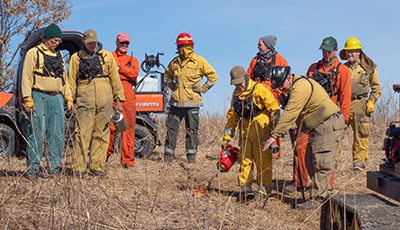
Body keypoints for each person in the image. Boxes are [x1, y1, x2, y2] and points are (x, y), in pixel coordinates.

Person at [263, 66, 345, 209]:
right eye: (278, 87)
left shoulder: (300, 87)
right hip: (317, 126)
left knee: (321, 161)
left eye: (282, 85)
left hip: (327, 124)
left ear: (289, 77)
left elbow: (290, 113)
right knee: (310, 160)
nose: (281, 89)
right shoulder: (295, 87)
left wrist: (274, 136)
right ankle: (322, 193)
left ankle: (319, 199)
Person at [284, 36, 351, 194]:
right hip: (310, 116)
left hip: (329, 118)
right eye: (323, 50)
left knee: (327, 153)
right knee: (301, 147)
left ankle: (326, 187)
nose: (326, 54)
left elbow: (345, 97)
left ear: (336, 51)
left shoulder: (343, 70)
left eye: (329, 51)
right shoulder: (313, 68)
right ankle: (299, 181)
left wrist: (345, 120)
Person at [68, 29, 125, 178]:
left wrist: (119, 99)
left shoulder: (107, 57)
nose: (92, 45)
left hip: (105, 102)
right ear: (84, 43)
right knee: (82, 134)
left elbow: (115, 79)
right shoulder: (76, 58)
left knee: (102, 134)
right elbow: (71, 81)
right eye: (89, 43)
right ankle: (78, 168)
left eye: (94, 43)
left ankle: (97, 167)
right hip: (84, 102)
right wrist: (69, 99)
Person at [21, 23, 74, 179]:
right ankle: (33, 169)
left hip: (56, 97)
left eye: (59, 41)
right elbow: (26, 76)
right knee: (37, 133)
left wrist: (69, 98)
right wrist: (27, 98)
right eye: (55, 40)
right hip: (39, 96)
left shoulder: (58, 56)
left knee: (57, 134)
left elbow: (64, 80)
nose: (57, 43)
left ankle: (54, 169)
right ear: (47, 38)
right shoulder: (33, 53)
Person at [222, 66, 280, 201]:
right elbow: (233, 116)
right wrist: (227, 137)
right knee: (244, 160)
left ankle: (264, 189)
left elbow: (274, 109)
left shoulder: (260, 90)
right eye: (235, 83)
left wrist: (276, 132)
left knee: (262, 161)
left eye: (240, 83)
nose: (238, 86)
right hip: (245, 132)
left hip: (262, 130)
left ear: (245, 78)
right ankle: (245, 189)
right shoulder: (236, 94)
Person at [164, 32, 218, 163]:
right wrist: (172, 86)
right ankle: (168, 157)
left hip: (192, 103)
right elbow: (168, 75)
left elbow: (213, 76)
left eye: (179, 46)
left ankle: (191, 157)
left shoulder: (199, 61)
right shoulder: (174, 62)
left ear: (186, 46)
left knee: (192, 131)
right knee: (171, 129)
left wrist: (203, 88)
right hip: (176, 103)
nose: (177, 49)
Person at [338, 37, 382, 172]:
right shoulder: (341, 68)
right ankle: (331, 166)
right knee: (336, 135)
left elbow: (377, 88)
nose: (350, 54)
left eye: (353, 51)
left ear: (359, 52)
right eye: (347, 52)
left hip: (361, 105)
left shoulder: (369, 68)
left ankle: (359, 167)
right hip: (342, 105)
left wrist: (371, 101)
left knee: (361, 136)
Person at [246, 35, 288, 159]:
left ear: (268, 46)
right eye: (258, 44)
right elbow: (248, 78)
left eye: (260, 44)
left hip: (273, 98)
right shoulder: (255, 60)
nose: (258, 47)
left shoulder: (280, 60)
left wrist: (282, 96)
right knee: (258, 125)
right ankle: (259, 151)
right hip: (257, 99)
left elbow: (285, 79)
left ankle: (274, 154)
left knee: (274, 125)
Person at [107, 33, 139, 168]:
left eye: (127, 43)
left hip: (128, 95)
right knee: (109, 127)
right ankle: (103, 157)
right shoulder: (109, 56)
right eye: (122, 43)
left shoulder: (134, 59)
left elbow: (134, 74)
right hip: (112, 94)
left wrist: (119, 69)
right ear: (116, 43)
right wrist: (125, 70)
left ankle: (127, 161)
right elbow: (108, 71)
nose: (124, 45)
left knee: (129, 128)